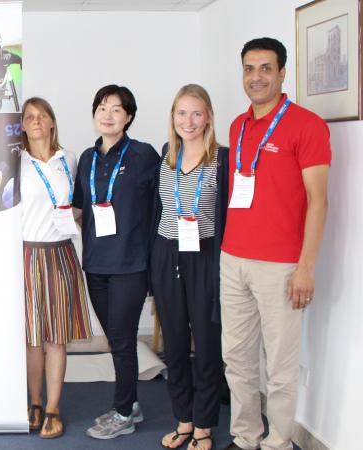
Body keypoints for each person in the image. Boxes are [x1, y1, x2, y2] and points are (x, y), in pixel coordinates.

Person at [220, 37, 330, 450]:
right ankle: (246, 437)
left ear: (283, 73)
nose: (256, 77)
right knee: (237, 359)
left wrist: (306, 266)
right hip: (233, 258)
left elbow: (319, 201)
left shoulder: (307, 125)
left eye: (266, 68)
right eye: (249, 69)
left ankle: (280, 442)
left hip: (282, 264)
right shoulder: (238, 125)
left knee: (281, 366)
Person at [73, 85, 160, 440]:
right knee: (116, 339)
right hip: (95, 264)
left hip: (130, 263)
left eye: (117, 109)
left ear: (129, 117)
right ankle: (131, 403)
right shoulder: (87, 158)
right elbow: (80, 209)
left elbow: (159, 208)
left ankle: (124, 411)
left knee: (122, 340)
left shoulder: (143, 155)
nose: (108, 115)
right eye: (102, 107)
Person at [150, 84, 229, 450]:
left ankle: (205, 426)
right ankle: (183, 419)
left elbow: (229, 216)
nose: (189, 121)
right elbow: (158, 211)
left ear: (209, 116)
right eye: (182, 113)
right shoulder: (167, 155)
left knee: (208, 346)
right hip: (168, 256)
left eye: (197, 113)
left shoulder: (223, 159)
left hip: (204, 256)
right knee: (176, 345)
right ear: (173, 117)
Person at [20, 97, 93, 439]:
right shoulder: (15, 162)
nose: (36, 121)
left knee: (56, 339)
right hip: (28, 255)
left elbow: (75, 208)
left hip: (61, 255)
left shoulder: (70, 159)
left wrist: (72, 219)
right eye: (29, 117)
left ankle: (53, 408)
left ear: (52, 122)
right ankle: (35, 403)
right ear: (22, 125)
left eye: (42, 115)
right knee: (33, 338)